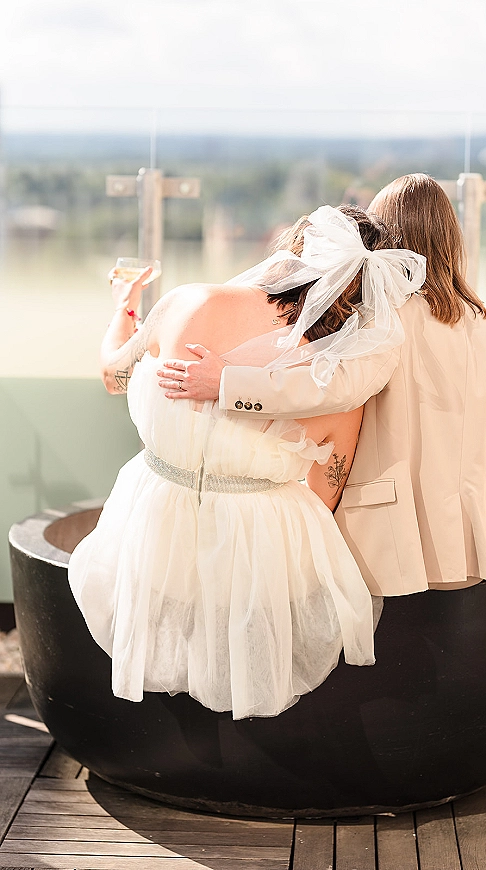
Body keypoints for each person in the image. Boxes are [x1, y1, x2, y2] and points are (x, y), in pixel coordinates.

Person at [68, 205, 426, 720]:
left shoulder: (187, 301)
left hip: (155, 518)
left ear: (290, 252)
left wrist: (125, 305)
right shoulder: (336, 377)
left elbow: (114, 375)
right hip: (259, 541)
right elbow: (327, 484)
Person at [158, 174, 486, 594]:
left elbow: (330, 389)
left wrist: (226, 383)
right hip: (474, 532)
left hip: (389, 536)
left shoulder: (388, 321)